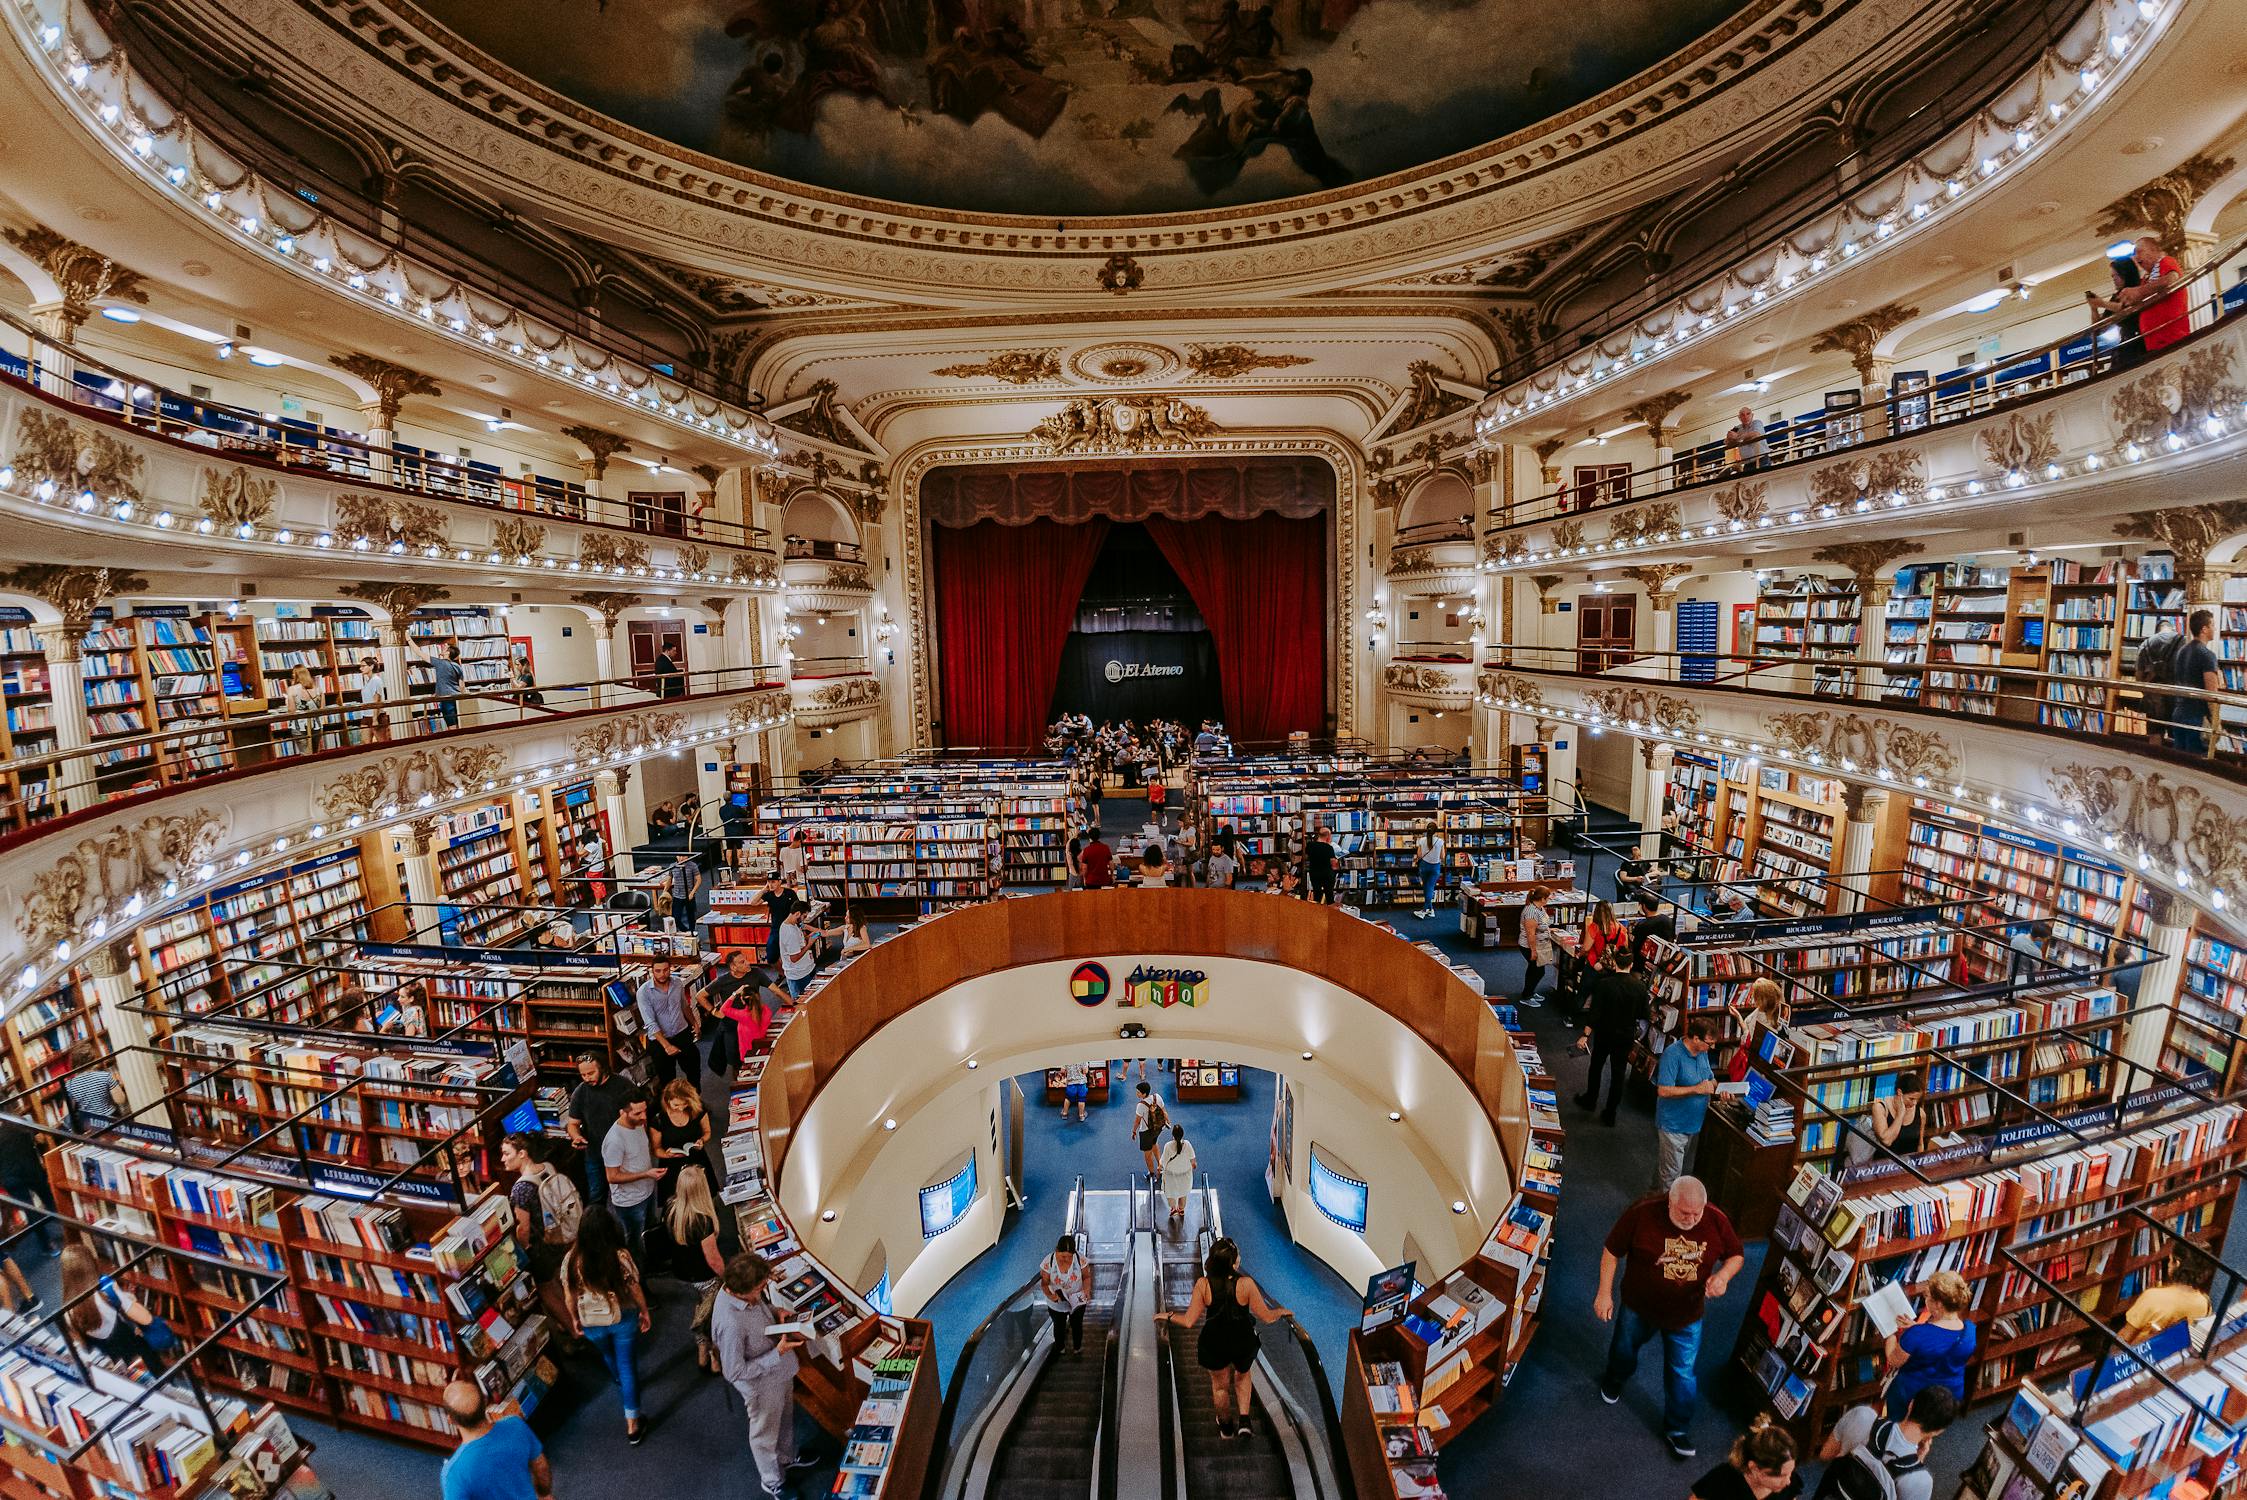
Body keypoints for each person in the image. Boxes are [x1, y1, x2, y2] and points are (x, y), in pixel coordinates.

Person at [1594, 1177, 1745, 1459]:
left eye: (1696, 1213)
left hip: (1686, 1314)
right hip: (1639, 1306)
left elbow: (1736, 1255)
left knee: (1683, 1374)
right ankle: (1615, 1378)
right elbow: (1611, 1252)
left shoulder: (1715, 1219)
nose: (1690, 1219)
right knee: (1624, 1350)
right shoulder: (1642, 1213)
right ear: (1670, 1202)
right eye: (1684, 1212)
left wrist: (1723, 1277)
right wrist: (1605, 1293)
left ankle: (1677, 1429)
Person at [1156, 1238, 1292, 1440]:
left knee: (1220, 1387)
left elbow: (1189, 1321)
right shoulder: (1246, 1284)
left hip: (1215, 1342)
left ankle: (1226, 1427)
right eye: (1237, 1255)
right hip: (1242, 1340)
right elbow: (1265, 1316)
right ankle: (1244, 1421)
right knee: (1243, 1375)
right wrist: (1280, 1312)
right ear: (1233, 1262)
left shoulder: (1204, 1285)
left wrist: (1167, 1316)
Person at [712, 1252, 811, 1500]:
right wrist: (776, 1354)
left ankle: (786, 1459)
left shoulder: (745, 1296)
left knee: (785, 1416)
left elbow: (758, 1310)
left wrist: (775, 1311)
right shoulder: (730, 1323)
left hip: (779, 1373)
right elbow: (734, 1371)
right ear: (741, 1291)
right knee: (764, 1433)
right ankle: (773, 1481)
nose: (763, 1290)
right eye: (760, 1288)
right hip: (761, 1385)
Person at [562, 1206, 651, 1444]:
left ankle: (618, 1379)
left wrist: (573, 1319)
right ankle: (632, 1422)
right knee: (627, 1365)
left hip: (591, 1322)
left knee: (607, 1354)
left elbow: (569, 1295)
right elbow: (634, 1286)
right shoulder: (619, 1256)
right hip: (621, 1316)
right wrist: (644, 1310)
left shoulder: (571, 1260)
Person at [1813, 1385, 1956, 1500]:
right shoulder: (1921, 1480)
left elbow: (1825, 1455)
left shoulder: (1863, 1415)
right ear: (1938, 1431)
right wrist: (1918, 1462)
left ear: (1911, 1404)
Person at [502, 1134, 579, 1338]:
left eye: (506, 1153)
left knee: (547, 1289)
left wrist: (523, 1249)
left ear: (522, 1153)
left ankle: (573, 1330)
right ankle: (580, 1319)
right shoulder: (547, 1167)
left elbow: (523, 1227)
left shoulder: (521, 1188)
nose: (503, 1159)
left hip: (541, 1247)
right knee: (561, 1281)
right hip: (560, 1236)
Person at [1882, 1269, 1975, 1420]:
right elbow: (1939, 1346)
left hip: (1914, 1399)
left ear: (1938, 1304)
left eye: (1927, 1297)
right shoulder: (1970, 1331)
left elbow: (1894, 1360)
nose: (1925, 1300)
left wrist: (1889, 1334)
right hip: (1947, 1398)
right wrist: (1915, 1327)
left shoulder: (1918, 1335)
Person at [439, 1379, 553, 1500]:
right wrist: (544, 1494)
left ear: (451, 1420)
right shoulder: (515, 1424)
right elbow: (541, 1466)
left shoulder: (454, 1473)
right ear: (485, 1401)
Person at [1576, 947, 1650, 1126]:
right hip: (1625, 1035)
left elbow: (1595, 1012)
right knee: (1618, 1073)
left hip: (1604, 1032)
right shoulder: (1640, 987)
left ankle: (1590, 1099)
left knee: (1596, 1066)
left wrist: (1585, 1034)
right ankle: (1610, 1113)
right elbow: (1644, 1013)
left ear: (1615, 962)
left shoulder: (1604, 984)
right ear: (1631, 965)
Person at [60, 1244, 166, 1367]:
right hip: (136, 1355)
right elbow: (146, 1319)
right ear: (91, 1264)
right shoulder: (106, 1292)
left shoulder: (66, 1309)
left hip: (110, 1362)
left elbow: (82, 1344)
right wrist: (129, 1300)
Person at [1653, 1020, 1717, 1192]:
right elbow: (1664, 1090)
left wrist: (1720, 1088)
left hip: (1693, 1124)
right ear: (1696, 1038)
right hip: (1673, 1124)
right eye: (1709, 1043)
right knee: (1671, 1178)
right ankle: (1669, 1213)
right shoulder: (1672, 1055)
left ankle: (1651, 1198)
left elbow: (1710, 1078)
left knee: (1668, 1166)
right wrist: (1696, 1089)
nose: (1712, 1047)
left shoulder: (1701, 1052)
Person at [600, 1089, 662, 1259]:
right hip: (630, 1201)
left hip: (648, 1191)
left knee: (650, 1231)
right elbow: (612, 1177)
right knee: (634, 1240)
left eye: (645, 1110)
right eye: (637, 1113)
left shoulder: (639, 1124)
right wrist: (646, 1174)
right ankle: (638, 1275)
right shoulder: (614, 1141)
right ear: (623, 1112)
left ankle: (654, 1262)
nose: (643, 1116)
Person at [565, 1053, 632, 1207]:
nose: (587, 1078)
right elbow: (573, 1124)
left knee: (627, 1194)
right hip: (595, 1152)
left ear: (602, 1068)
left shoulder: (623, 1086)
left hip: (623, 1152)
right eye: (583, 1075)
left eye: (591, 1073)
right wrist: (576, 1136)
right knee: (596, 1195)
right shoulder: (581, 1092)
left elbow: (639, 1116)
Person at [709, 952, 789, 1070]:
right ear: (733, 967)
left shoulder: (756, 973)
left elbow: (777, 990)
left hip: (749, 1021)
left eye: (746, 959)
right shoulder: (722, 981)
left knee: (746, 1057)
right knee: (736, 1061)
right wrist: (714, 1012)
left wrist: (794, 1003)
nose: (748, 963)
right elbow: (700, 996)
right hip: (731, 1026)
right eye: (742, 962)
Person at [1692, 1415, 1800, 1500]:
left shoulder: (1787, 1481)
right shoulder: (1723, 1479)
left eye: (1790, 1472)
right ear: (1754, 1468)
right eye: (1781, 1476)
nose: (1788, 1481)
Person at [636, 959, 702, 1089]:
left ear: (670, 969)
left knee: (694, 1070)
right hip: (660, 1041)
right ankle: (671, 1107)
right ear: (652, 971)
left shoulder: (677, 983)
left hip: (682, 1033)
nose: (662, 974)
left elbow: (684, 1005)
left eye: (665, 970)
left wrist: (694, 1023)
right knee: (667, 1079)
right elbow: (650, 1022)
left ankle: (696, 1102)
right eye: (658, 971)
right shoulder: (643, 992)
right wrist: (667, 1046)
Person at [0, 1117, 57, 1256]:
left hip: (10, 1177)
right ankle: (70, 1230)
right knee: (49, 1199)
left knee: (30, 1210)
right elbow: (38, 1139)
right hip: (31, 1169)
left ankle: (47, 1245)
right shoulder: (18, 1121)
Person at [2124, 1253, 2214, 1338]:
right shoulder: (2204, 1302)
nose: (2168, 1264)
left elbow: (2124, 1337)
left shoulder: (2152, 1296)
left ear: (2177, 1263)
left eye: (2170, 1260)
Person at [2170, 607, 2222, 755]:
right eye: (2212, 625)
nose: (2215, 629)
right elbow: (2210, 692)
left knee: (2179, 758)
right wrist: (2216, 720)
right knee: (2196, 761)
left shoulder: (2182, 651)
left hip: (2179, 712)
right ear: (2204, 629)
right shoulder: (2207, 655)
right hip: (2197, 716)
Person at [652, 1079, 713, 1203]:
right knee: (678, 1203)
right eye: (676, 1105)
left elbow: (707, 1132)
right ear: (667, 1100)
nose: (680, 1108)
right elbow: (656, 1149)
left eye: (684, 1104)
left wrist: (702, 1140)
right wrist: (666, 1154)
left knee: (702, 1200)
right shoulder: (659, 1120)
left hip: (697, 1160)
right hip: (672, 1167)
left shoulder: (697, 1111)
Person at [1727, 977, 1790, 1081]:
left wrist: (1740, 1020)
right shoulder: (1763, 1010)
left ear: (1761, 999)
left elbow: (1750, 1042)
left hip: (1756, 1065)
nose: (1751, 996)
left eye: (1754, 994)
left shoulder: (1765, 1020)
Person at [1040, 1233, 1093, 1355]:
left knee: (1077, 1325)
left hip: (1077, 1300)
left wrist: (1086, 1291)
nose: (1066, 1259)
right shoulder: (1049, 1262)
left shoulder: (1080, 1259)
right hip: (1057, 1303)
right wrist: (1051, 1295)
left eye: (1069, 1256)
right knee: (1058, 1326)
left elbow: (1086, 1277)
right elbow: (1044, 1283)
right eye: (1063, 1256)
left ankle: (1077, 1347)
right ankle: (1060, 1347)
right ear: (1057, 1250)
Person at [778, 904, 840, 999]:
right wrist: (810, 944)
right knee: (804, 1003)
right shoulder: (790, 932)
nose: (804, 919)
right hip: (799, 975)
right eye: (804, 916)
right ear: (798, 913)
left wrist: (808, 937)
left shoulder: (792, 925)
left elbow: (799, 943)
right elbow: (794, 958)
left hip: (806, 969)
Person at [63, 1042, 124, 1132]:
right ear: (92, 1059)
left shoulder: (70, 1085)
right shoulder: (105, 1076)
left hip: (91, 1126)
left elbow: (67, 1115)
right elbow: (120, 1100)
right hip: (112, 1120)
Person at [1864, 1072, 1926, 1160]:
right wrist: (1900, 1114)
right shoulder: (1880, 1108)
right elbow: (1887, 1141)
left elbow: (1920, 1144)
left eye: (1917, 1099)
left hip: (1909, 1164)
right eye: (1911, 1099)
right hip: (1883, 1165)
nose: (1914, 1103)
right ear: (1899, 1092)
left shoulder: (1921, 1113)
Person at [1518, 883, 1556, 1009]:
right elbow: (1530, 934)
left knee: (1535, 969)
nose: (1549, 899)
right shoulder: (1530, 912)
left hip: (1540, 944)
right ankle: (1526, 996)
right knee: (1537, 971)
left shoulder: (1539, 908)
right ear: (1542, 898)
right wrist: (1533, 951)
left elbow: (1542, 924)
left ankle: (1530, 992)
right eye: (1548, 897)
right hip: (1529, 946)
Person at [1158, 1122, 1198, 1217]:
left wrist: (1160, 1167)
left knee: (1171, 1194)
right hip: (1185, 1175)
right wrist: (1191, 1167)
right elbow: (1193, 1162)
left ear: (1173, 1135)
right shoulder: (1187, 1144)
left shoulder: (1168, 1146)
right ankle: (1181, 1210)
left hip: (1171, 1176)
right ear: (1182, 1134)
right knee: (1183, 1193)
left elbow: (1163, 1162)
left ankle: (1173, 1209)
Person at [1130, 1080, 1168, 1178]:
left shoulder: (1141, 1105)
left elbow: (1137, 1121)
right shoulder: (1157, 1097)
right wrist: (1167, 1121)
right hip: (1158, 1128)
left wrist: (1134, 1131)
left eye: (1138, 1092)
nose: (1136, 1093)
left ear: (1144, 1093)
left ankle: (1152, 1174)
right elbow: (1164, 1111)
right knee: (1154, 1143)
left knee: (1147, 1154)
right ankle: (1160, 1165)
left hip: (1146, 1132)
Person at [282, 665, 324, 753]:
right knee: (315, 751)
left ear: (296, 675)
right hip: (316, 723)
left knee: (305, 752)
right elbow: (322, 708)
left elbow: (291, 710)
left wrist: (287, 703)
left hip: (299, 724)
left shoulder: (292, 690)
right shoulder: (318, 689)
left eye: (293, 674)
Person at [1631, 890, 1678, 967]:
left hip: (1642, 963)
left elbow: (1635, 947)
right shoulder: (1667, 920)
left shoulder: (1642, 925)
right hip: (1663, 962)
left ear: (1644, 906)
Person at [354, 654, 389, 743]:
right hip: (366, 715)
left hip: (377, 716)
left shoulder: (376, 680)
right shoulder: (368, 681)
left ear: (371, 667)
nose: (360, 668)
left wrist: (375, 719)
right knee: (365, 742)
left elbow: (376, 700)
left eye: (363, 666)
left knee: (382, 741)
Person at [430, 641, 466, 729]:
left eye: (445, 647)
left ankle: (455, 741)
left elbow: (419, 653)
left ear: (448, 653)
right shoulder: (457, 666)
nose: (443, 647)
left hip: (446, 698)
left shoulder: (440, 663)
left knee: (451, 725)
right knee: (459, 722)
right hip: (457, 697)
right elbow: (462, 686)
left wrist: (409, 639)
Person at [1303, 820, 1337, 904]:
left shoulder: (1310, 845)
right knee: (1329, 895)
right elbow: (1333, 864)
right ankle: (1330, 913)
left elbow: (1306, 856)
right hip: (1327, 874)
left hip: (1314, 873)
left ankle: (1317, 913)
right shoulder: (1328, 848)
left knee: (1317, 894)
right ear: (1328, 836)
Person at [1727, 407, 1768, 472]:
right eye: (1742, 415)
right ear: (1739, 417)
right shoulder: (1737, 428)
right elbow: (1727, 442)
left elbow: (1755, 434)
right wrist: (1731, 438)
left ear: (1752, 415)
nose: (1745, 417)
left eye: (1748, 414)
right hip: (1747, 463)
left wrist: (1737, 437)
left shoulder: (1757, 423)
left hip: (1761, 460)